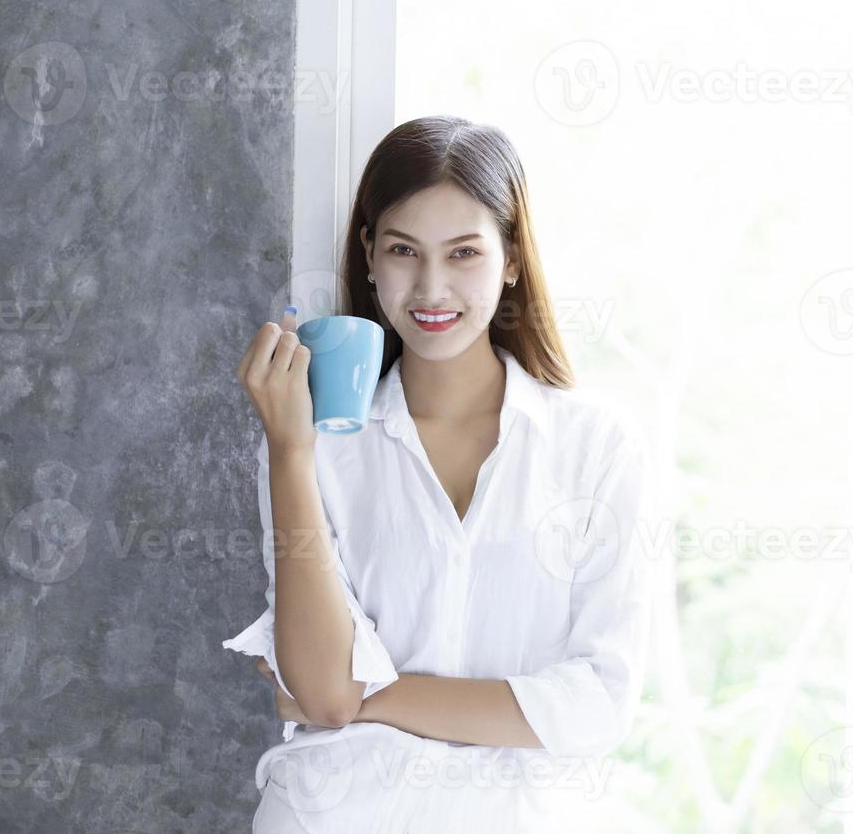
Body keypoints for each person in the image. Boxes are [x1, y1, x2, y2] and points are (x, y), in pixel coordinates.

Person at [223, 116, 654, 832]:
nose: (431, 287)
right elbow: (326, 695)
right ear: (368, 254)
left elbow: (598, 703)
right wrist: (290, 452)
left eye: (463, 254)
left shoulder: (596, 447)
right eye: (403, 250)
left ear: (511, 257)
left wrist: (379, 694)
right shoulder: (318, 449)